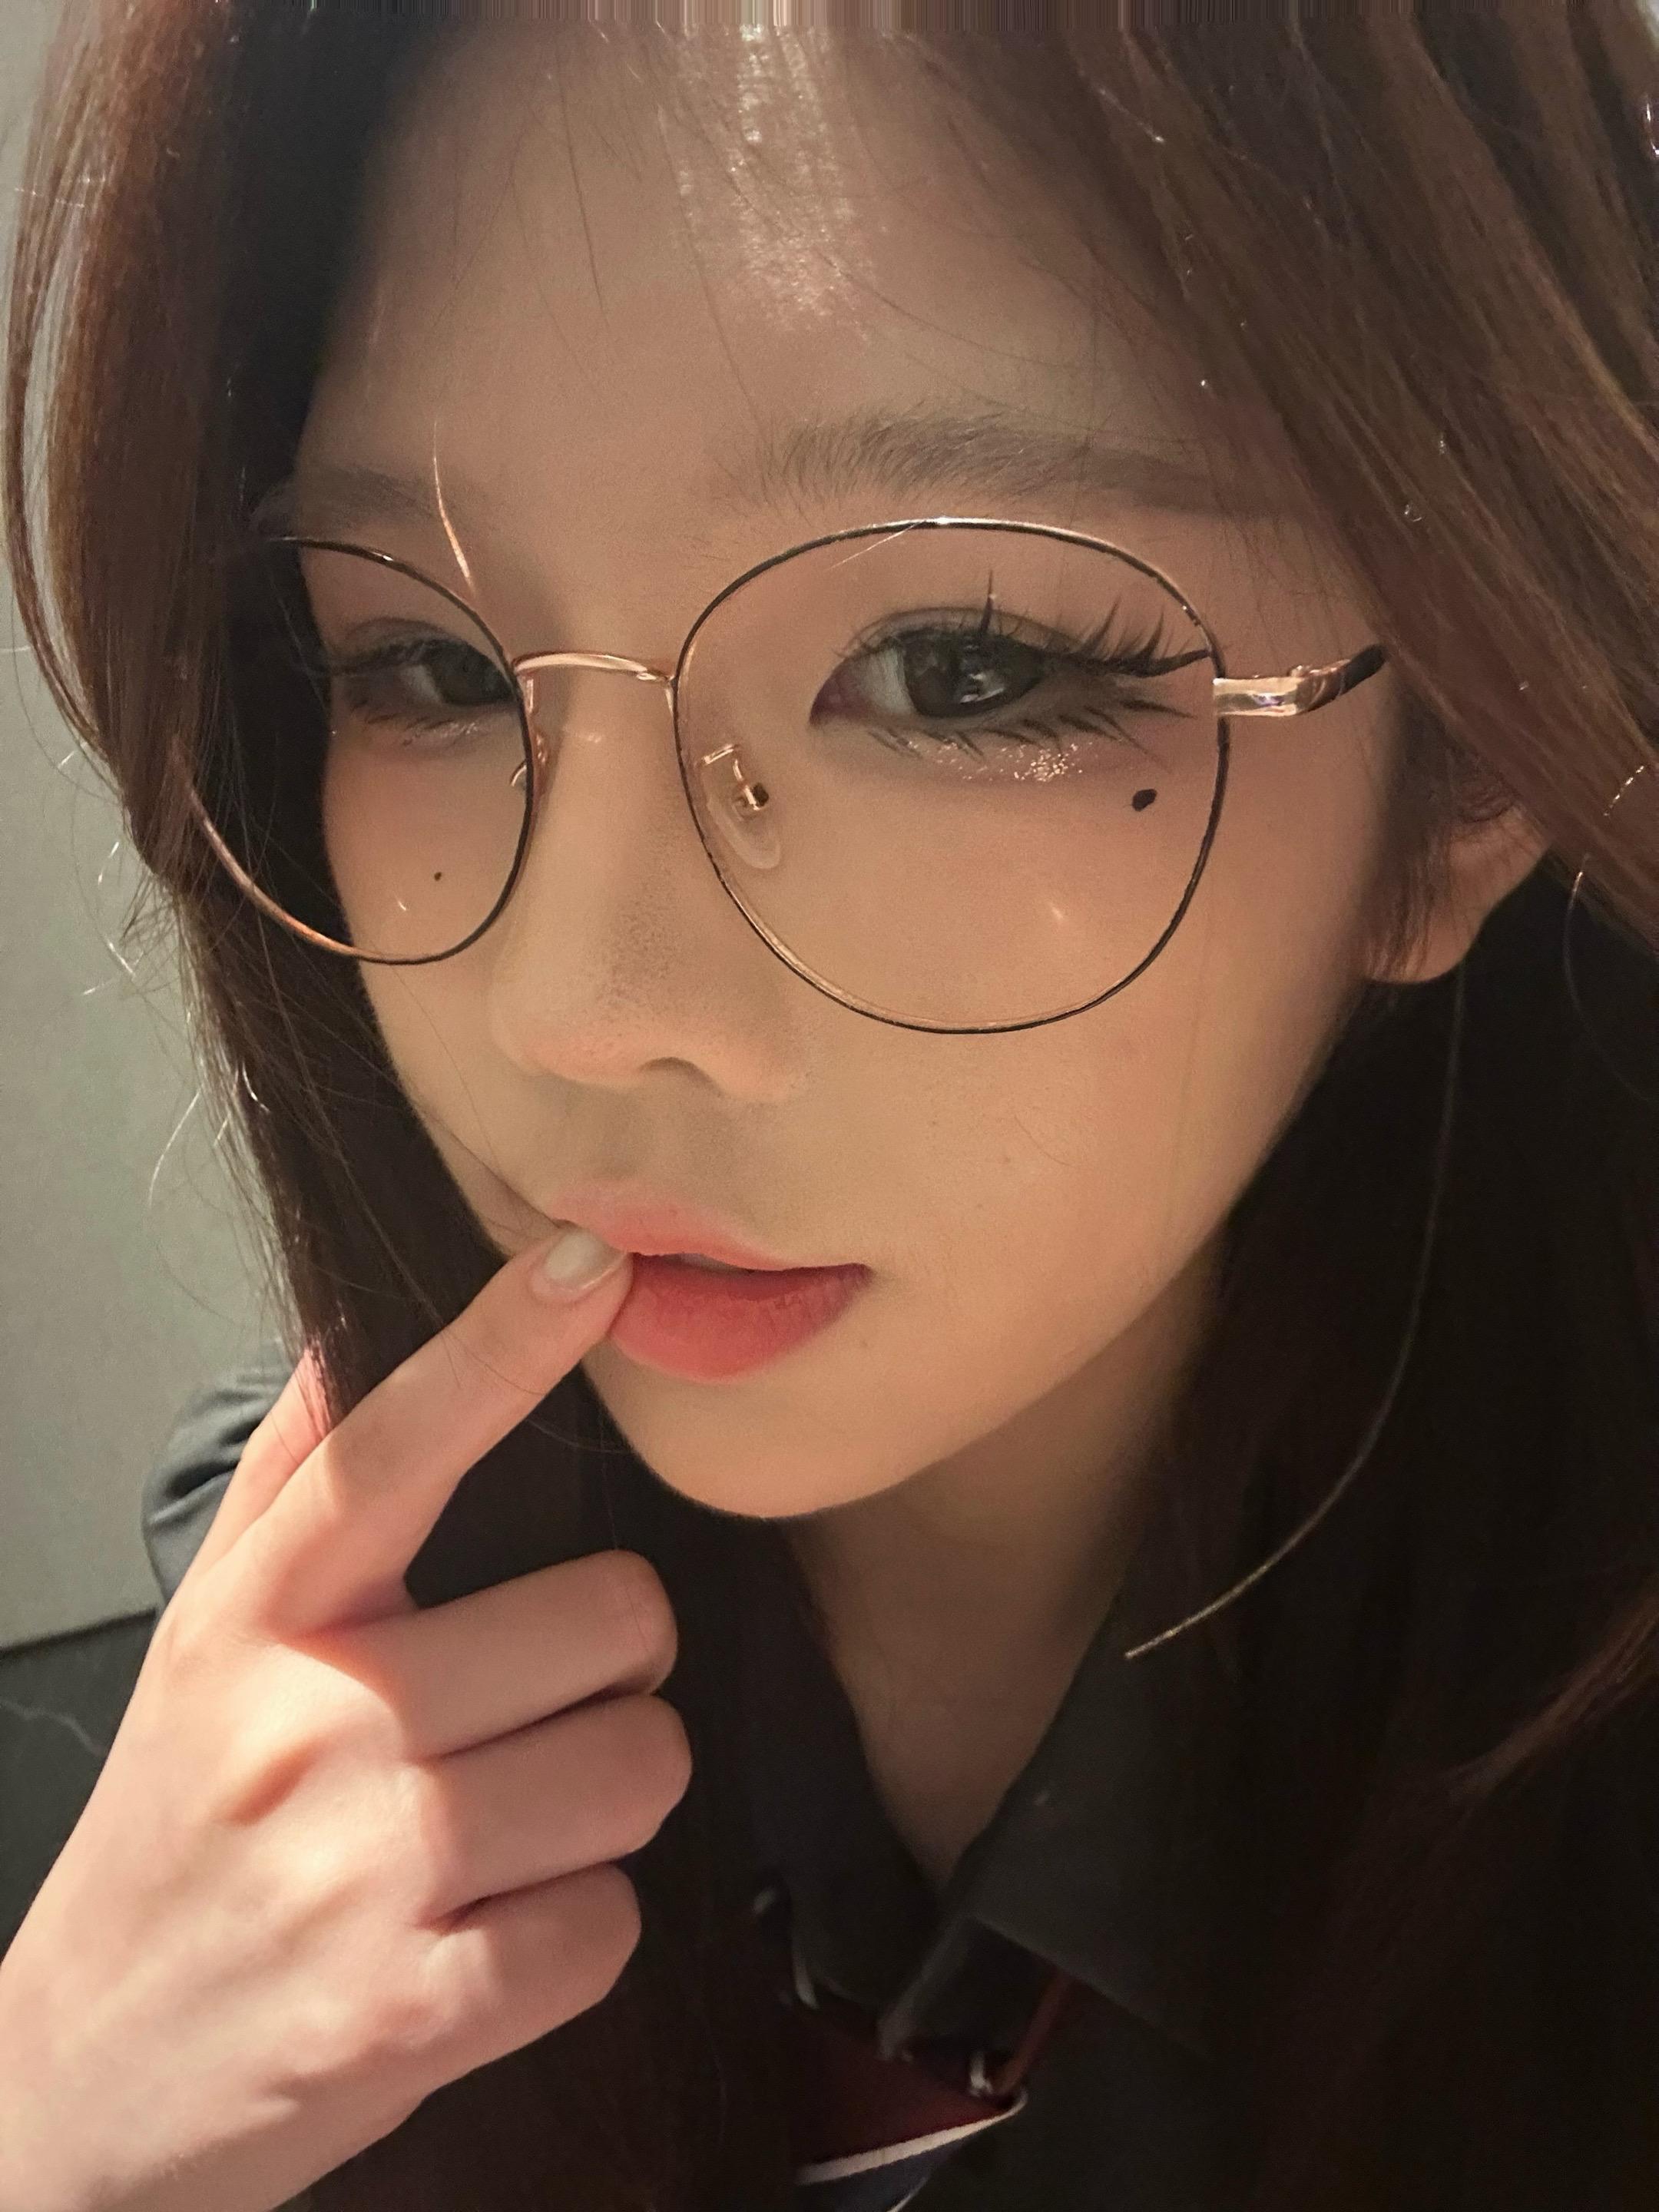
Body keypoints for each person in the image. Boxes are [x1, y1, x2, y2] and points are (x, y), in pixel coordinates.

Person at [2, 6, 1657, 2209]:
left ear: (1461, 773)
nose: (573, 1010)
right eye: (426, 668)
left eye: (961, 669)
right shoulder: (297, 1646)